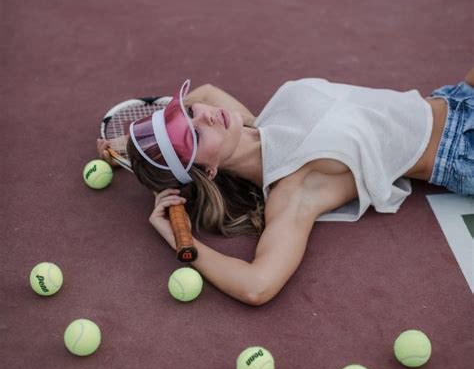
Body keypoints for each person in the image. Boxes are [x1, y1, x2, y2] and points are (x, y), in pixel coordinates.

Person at [97, 69, 474, 306]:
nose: (206, 115)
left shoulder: (259, 122)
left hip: (455, 96)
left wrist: (134, 148)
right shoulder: (295, 189)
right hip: (462, 148)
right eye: (196, 134)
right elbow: (256, 286)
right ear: (208, 171)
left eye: (189, 113)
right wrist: (181, 241)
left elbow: (206, 93)